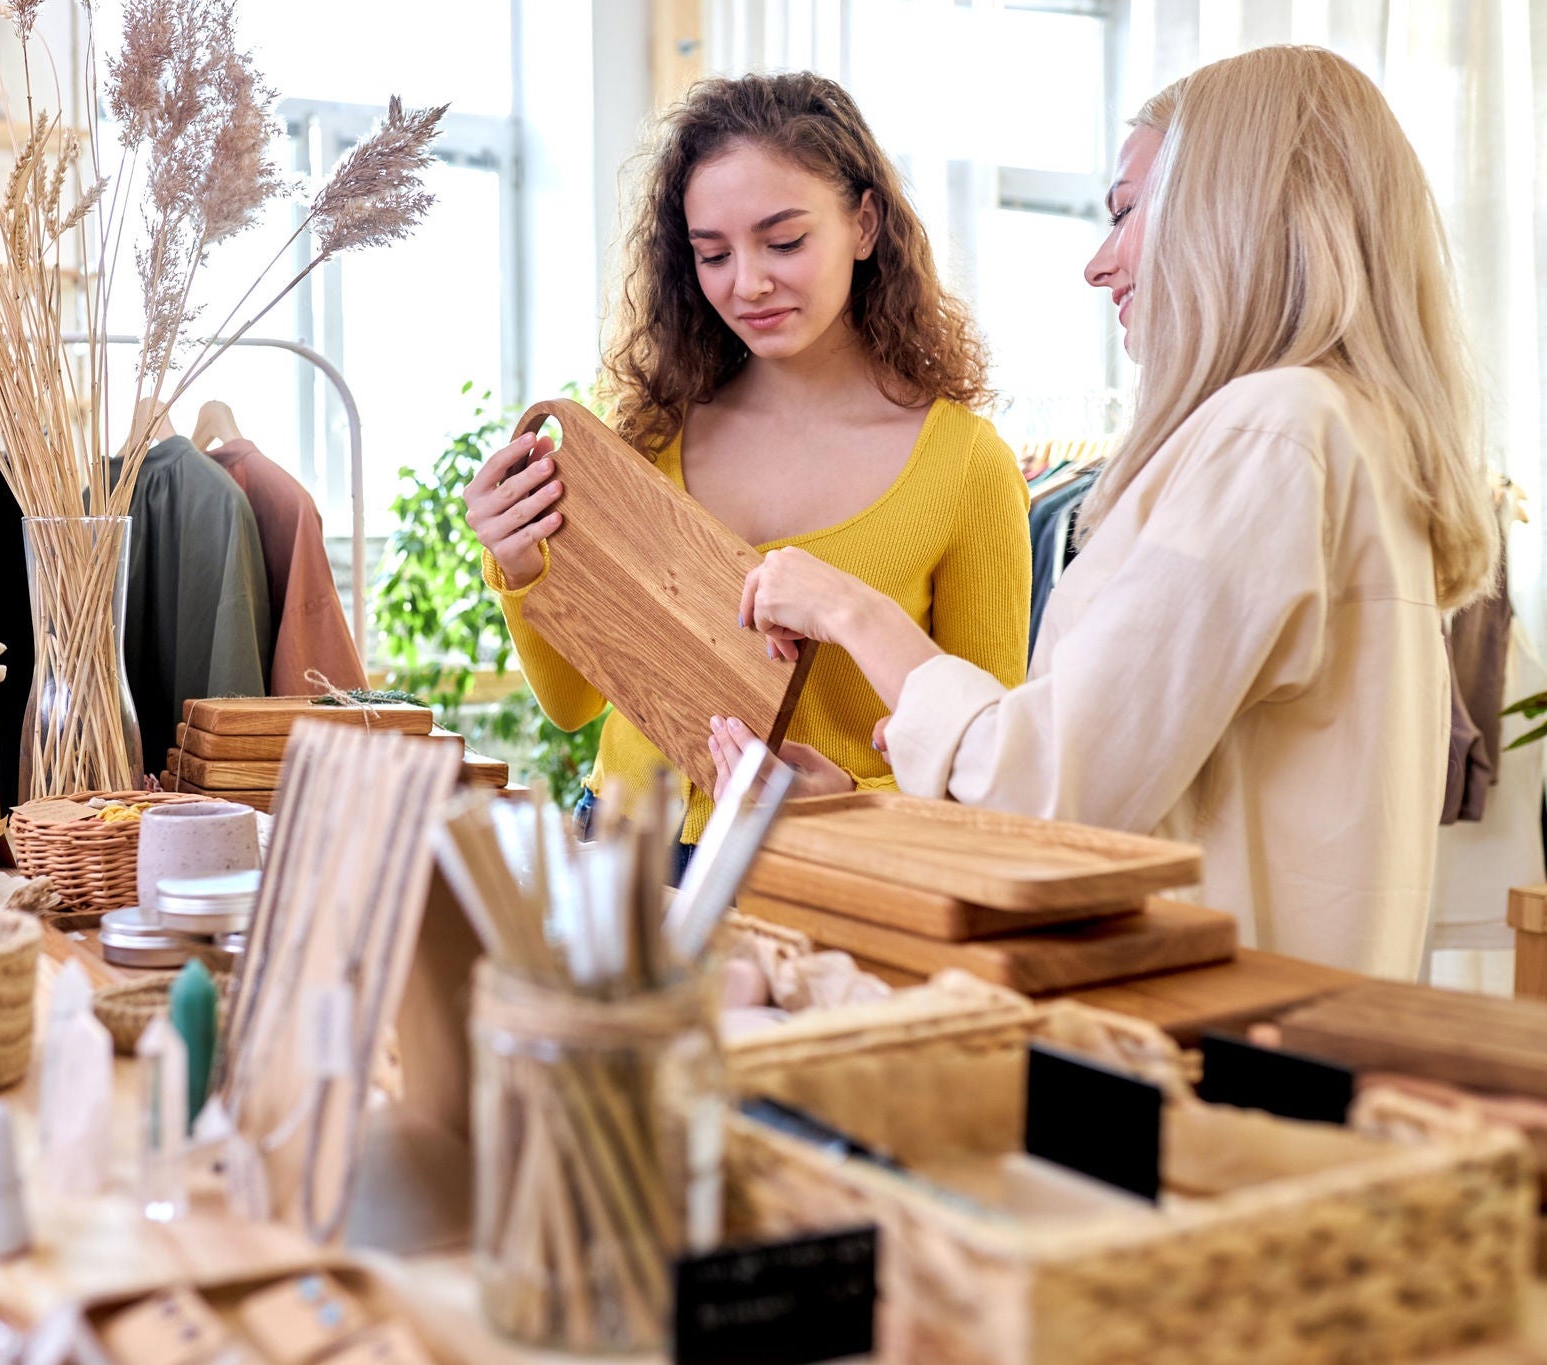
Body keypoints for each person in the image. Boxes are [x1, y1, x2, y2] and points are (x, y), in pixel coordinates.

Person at [723, 46, 1499, 978]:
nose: (1099, 267)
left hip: (1209, 1042)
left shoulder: (1273, 431)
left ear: (1231, 207)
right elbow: (1150, 790)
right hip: (1279, 1022)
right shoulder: (1341, 431)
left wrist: (857, 615)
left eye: (1125, 212)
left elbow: (1058, 796)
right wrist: (861, 806)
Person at [465, 72, 1031, 873]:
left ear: (864, 224)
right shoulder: (647, 432)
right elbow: (571, 705)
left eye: (785, 241)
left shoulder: (967, 465)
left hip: (825, 870)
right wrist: (519, 565)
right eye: (713, 253)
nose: (747, 283)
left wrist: (854, 799)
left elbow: (992, 758)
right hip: (622, 855)